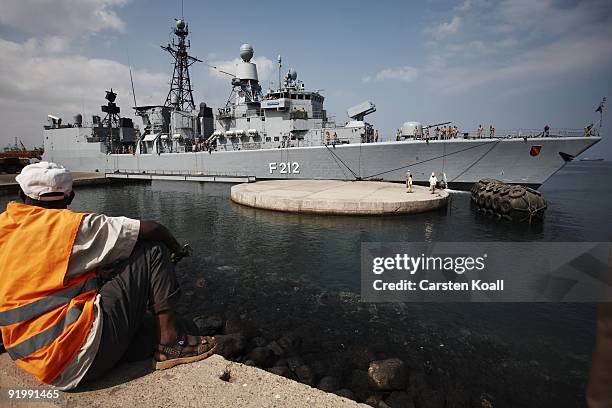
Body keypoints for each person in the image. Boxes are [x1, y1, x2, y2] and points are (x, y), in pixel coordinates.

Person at [0, 162, 216, 391]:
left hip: (26, 353)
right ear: (71, 196)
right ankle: (172, 344)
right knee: (153, 249)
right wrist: (174, 249)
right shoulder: (75, 227)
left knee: (146, 328)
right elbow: (153, 229)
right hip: (71, 360)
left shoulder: (5, 226)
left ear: (21, 194)